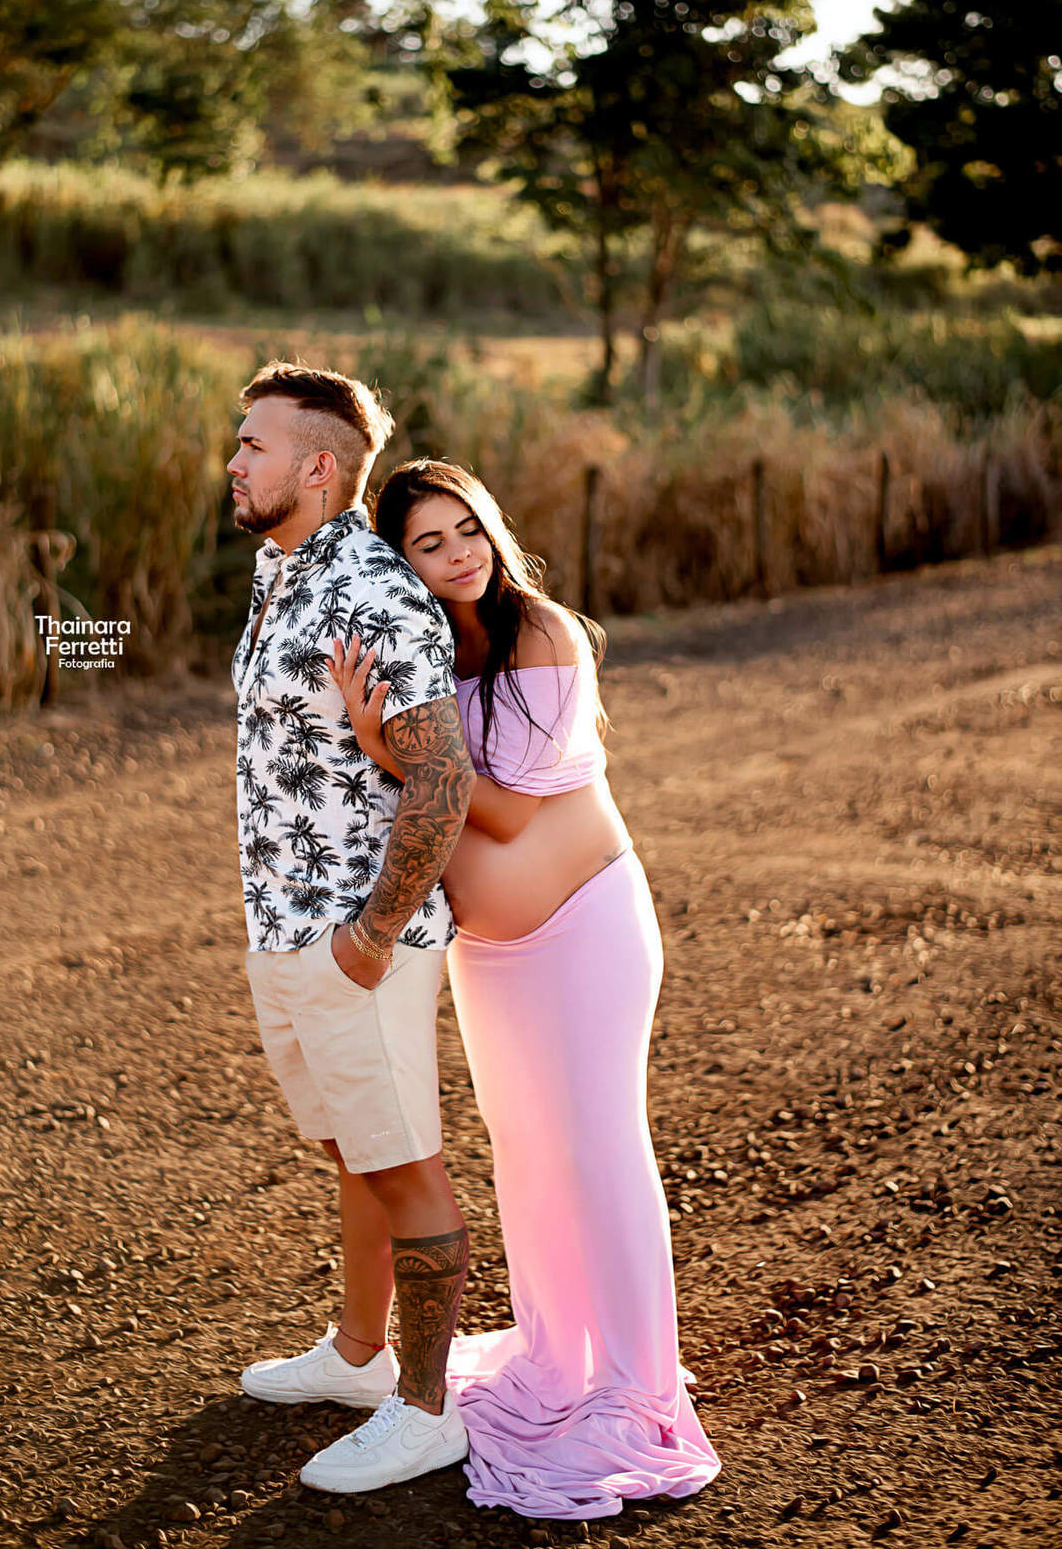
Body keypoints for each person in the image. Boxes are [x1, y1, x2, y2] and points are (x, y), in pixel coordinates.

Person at [328, 458, 722, 1522]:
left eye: (468, 529)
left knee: (601, 1149)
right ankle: (564, 1352)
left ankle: (637, 1385)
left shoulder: (543, 633)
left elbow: (500, 813)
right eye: (429, 543)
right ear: (403, 564)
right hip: (491, 952)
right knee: (528, 1153)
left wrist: (383, 742)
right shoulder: (425, 647)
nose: (460, 554)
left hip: (586, 928)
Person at [226, 368, 478, 1496]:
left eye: (255, 445)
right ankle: (360, 1354)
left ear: (318, 467)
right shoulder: (278, 570)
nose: (235, 462)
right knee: (352, 1150)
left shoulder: (374, 594)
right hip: (282, 926)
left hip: (355, 943)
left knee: (405, 1168)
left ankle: (426, 1414)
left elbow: (442, 778)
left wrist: (371, 937)